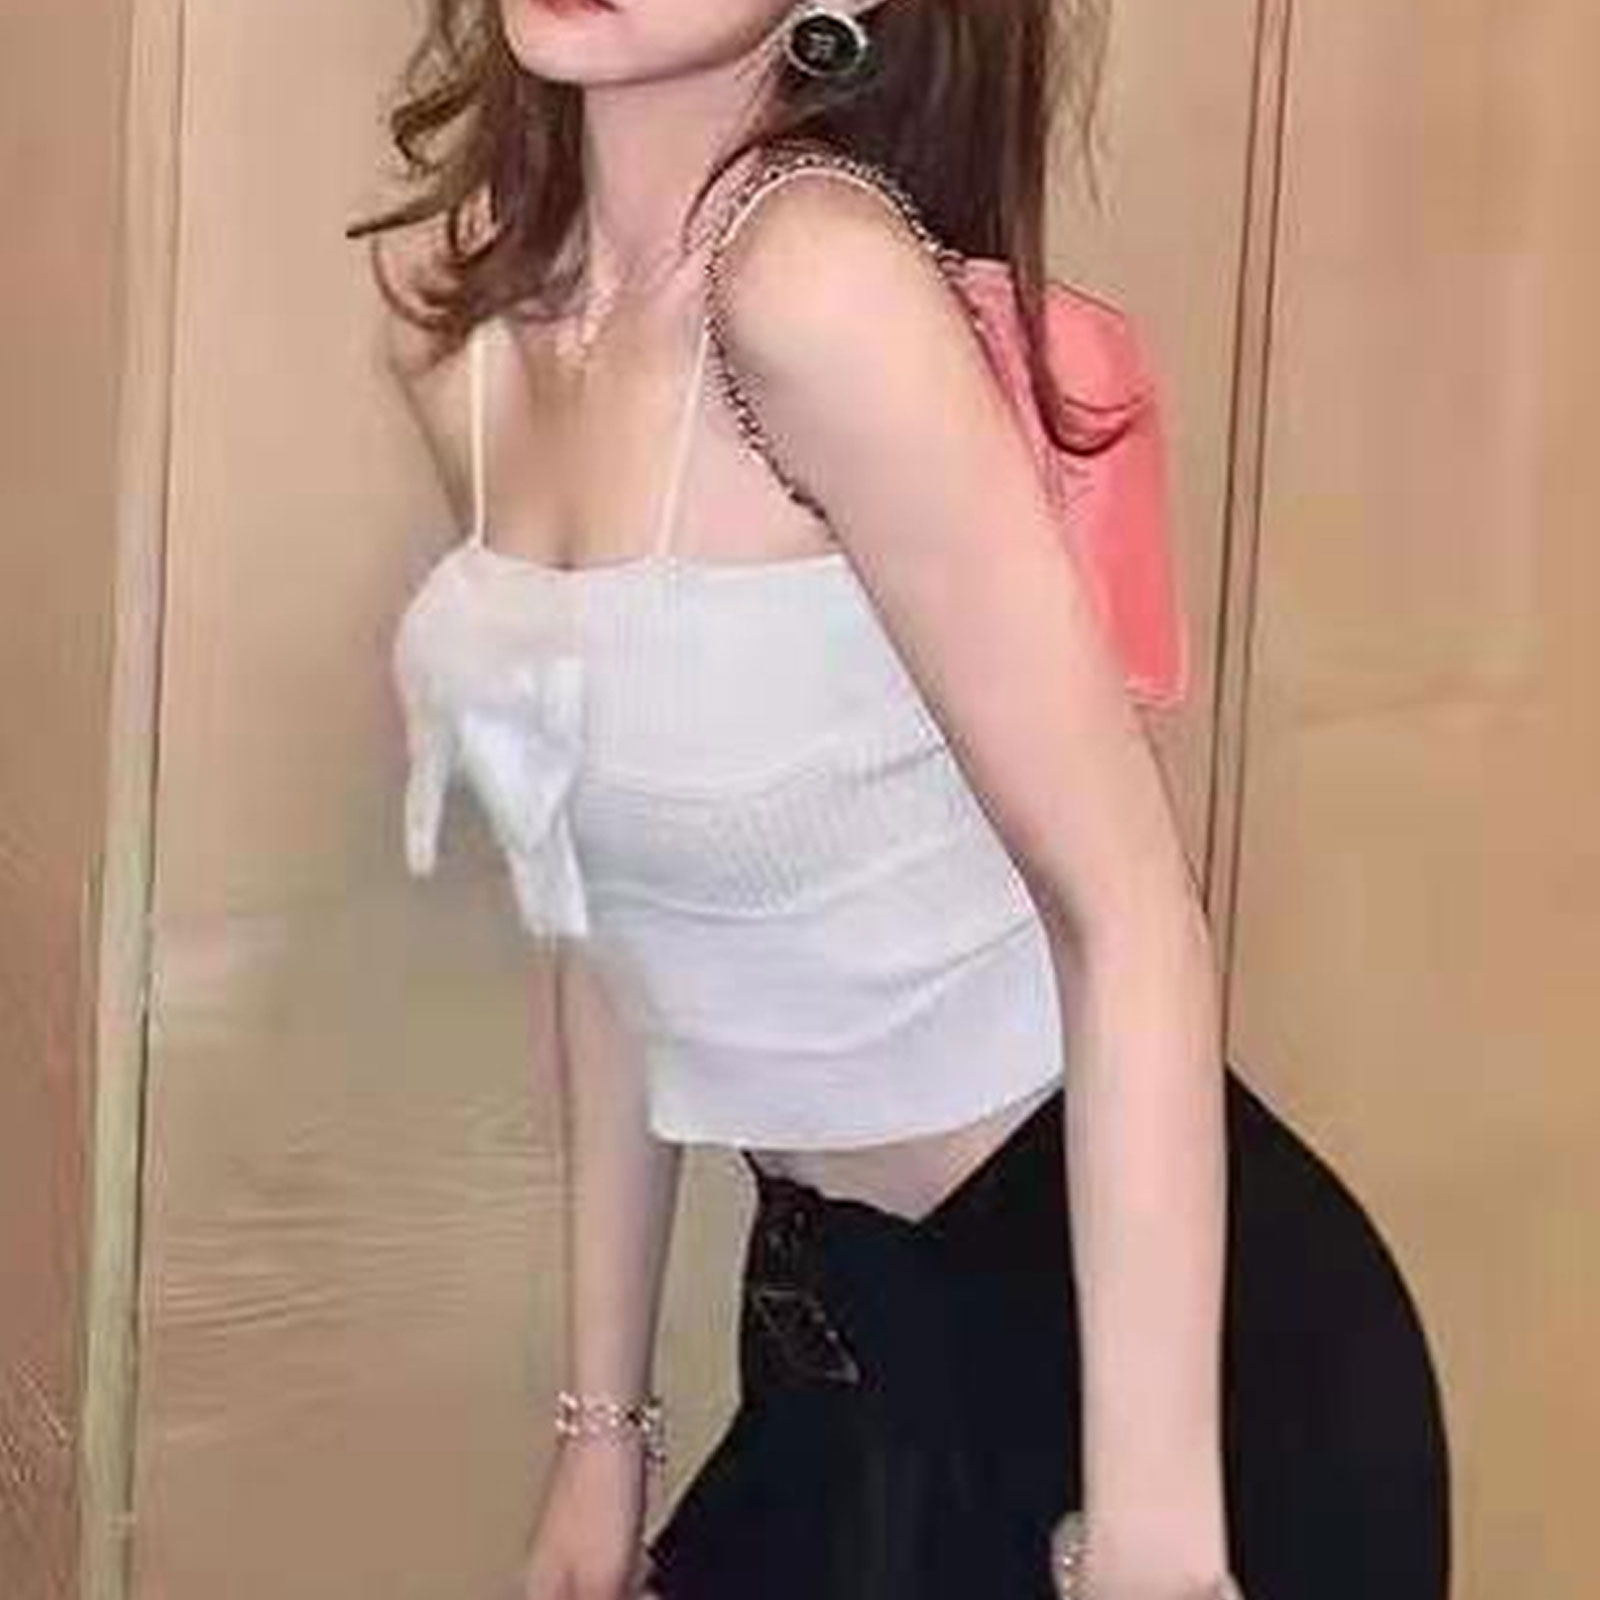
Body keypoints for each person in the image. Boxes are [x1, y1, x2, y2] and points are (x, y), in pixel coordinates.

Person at [347, 4, 1451, 1598]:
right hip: (840, 1337)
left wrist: (1155, 1541)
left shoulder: (815, 285)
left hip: (1151, 1373)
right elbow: (609, 915)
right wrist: (603, 1436)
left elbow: (1128, 915)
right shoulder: (460, 324)